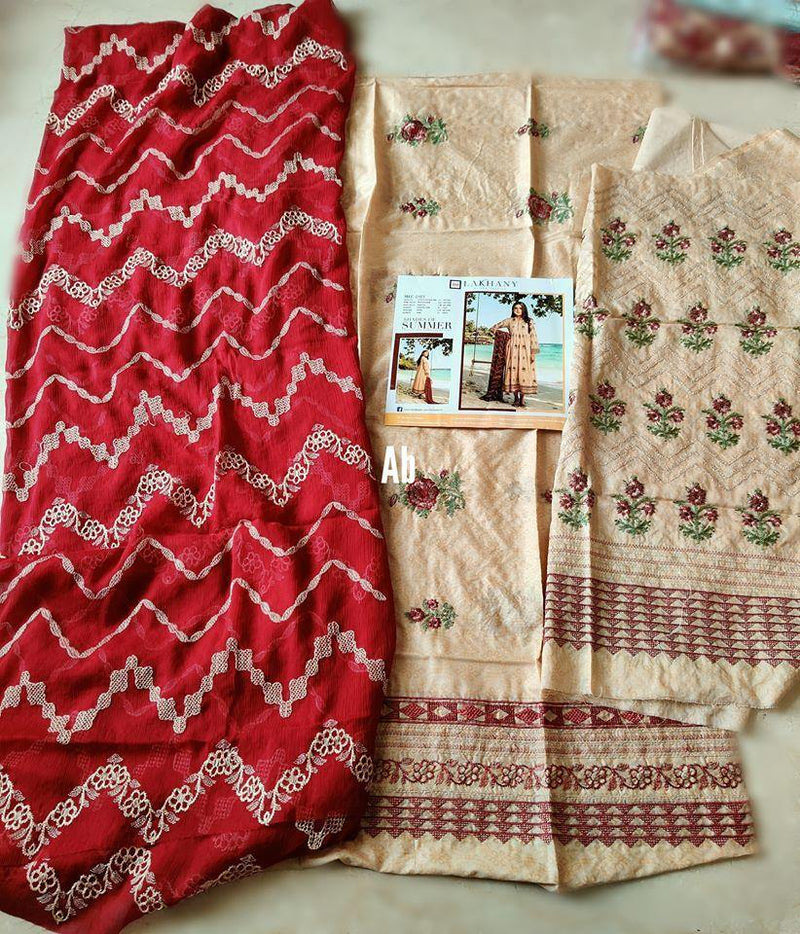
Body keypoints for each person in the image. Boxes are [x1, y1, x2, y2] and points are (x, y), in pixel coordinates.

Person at [490, 300, 539, 407]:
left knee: (524, 373)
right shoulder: (509, 321)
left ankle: (522, 399)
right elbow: (494, 327)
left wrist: (533, 352)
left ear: (524, 309)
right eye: (515, 308)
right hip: (512, 349)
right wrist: (499, 334)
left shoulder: (529, 321)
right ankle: (516, 399)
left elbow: (533, 336)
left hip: (526, 350)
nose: (518, 310)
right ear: (513, 310)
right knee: (513, 372)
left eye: (520, 308)